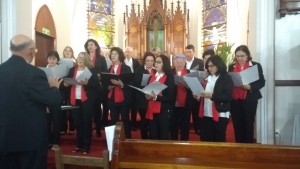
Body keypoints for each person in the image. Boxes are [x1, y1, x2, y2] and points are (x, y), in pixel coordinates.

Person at [0, 34, 62, 169]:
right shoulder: (34, 73)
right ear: (29, 51)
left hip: (4, 138)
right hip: (30, 140)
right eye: (35, 50)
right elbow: (53, 100)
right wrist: (54, 88)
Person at [228, 45, 265, 143]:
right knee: (237, 124)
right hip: (235, 100)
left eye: (242, 56)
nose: (239, 58)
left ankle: (249, 147)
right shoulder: (232, 67)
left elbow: (262, 82)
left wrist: (251, 87)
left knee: (248, 124)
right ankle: (238, 146)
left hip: (249, 100)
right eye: (237, 56)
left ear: (248, 55)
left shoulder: (255, 66)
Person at [64, 52, 99, 154]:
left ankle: (86, 146)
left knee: (86, 122)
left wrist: (87, 83)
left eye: (83, 58)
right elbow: (66, 81)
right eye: (79, 57)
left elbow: (96, 84)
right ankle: (78, 144)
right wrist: (66, 83)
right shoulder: (72, 70)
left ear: (86, 60)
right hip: (75, 99)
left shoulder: (91, 70)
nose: (80, 59)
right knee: (77, 123)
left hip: (87, 100)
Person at [193, 55, 234, 142]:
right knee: (205, 138)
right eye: (208, 66)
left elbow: (228, 97)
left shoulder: (226, 78)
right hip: (205, 113)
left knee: (218, 138)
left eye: (212, 66)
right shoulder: (208, 78)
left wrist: (212, 96)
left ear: (218, 64)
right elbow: (203, 93)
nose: (210, 68)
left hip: (220, 113)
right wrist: (198, 96)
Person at [145, 54, 176, 140]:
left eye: (159, 62)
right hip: (151, 109)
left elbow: (171, 97)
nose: (156, 64)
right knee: (153, 134)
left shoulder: (169, 77)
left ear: (164, 64)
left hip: (164, 111)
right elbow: (147, 92)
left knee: (163, 135)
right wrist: (147, 96)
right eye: (155, 62)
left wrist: (156, 98)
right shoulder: (151, 77)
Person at [107, 47, 132, 138]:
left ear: (120, 56)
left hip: (124, 98)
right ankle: (113, 140)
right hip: (112, 98)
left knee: (125, 119)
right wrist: (108, 86)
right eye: (112, 54)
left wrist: (122, 85)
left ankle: (127, 139)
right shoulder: (109, 68)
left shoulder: (126, 68)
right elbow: (106, 83)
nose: (113, 56)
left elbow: (130, 84)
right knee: (113, 119)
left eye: (115, 54)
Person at [84, 39, 108, 137]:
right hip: (87, 87)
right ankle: (89, 128)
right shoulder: (84, 58)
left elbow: (105, 71)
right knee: (89, 109)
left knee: (97, 109)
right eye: (88, 45)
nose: (90, 46)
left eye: (92, 44)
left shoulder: (101, 58)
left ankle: (98, 128)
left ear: (96, 46)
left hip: (99, 87)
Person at [170, 53, 192, 141]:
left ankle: (185, 142)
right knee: (173, 124)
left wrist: (188, 86)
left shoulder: (189, 73)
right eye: (177, 62)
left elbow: (194, 87)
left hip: (186, 102)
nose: (179, 64)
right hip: (173, 102)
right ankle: (173, 141)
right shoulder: (170, 73)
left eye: (181, 62)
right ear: (174, 63)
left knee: (185, 125)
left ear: (184, 63)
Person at [135, 52, 156, 139]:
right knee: (143, 121)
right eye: (147, 60)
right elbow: (136, 83)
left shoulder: (157, 70)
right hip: (142, 99)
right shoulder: (139, 70)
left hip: (154, 99)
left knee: (153, 122)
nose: (149, 62)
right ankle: (144, 139)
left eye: (151, 60)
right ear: (144, 61)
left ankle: (152, 139)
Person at [45, 50, 64, 150]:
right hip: (46, 98)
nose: (51, 60)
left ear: (57, 60)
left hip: (57, 97)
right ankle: (48, 141)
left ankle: (56, 141)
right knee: (46, 121)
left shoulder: (61, 70)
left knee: (57, 120)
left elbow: (64, 86)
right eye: (49, 58)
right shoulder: (43, 70)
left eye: (54, 59)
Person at [184, 44, 204, 136]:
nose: (187, 54)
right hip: (184, 89)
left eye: (189, 52)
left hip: (195, 89)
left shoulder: (200, 62)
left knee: (196, 110)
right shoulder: (182, 62)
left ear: (194, 52)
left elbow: (202, 75)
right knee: (186, 110)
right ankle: (185, 128)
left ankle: (198, 128)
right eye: (186, 52)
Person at [124, 46, 140, 131]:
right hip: (125, 86)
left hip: (134, 86)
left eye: (129, 51)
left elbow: (137, 73)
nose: (127, 53)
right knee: (126, 105)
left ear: (132, 53)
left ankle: (133, 123)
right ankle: (126, 123)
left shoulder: (136, 62)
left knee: (134, 105)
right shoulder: (122, 62)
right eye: (126, 51)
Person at [60, 46, 75, 135]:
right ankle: (63, 128)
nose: (67, 52)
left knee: (73, 107)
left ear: (72, 53)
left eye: (69, 51)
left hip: (73, 86)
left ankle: (72, 128)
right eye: (66, 50)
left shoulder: (75, 62)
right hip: (63, 86)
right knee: (63, 107)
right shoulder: (59, 62)